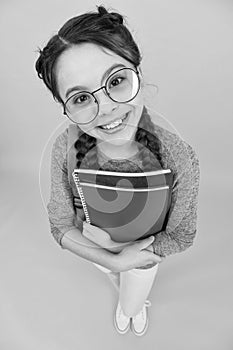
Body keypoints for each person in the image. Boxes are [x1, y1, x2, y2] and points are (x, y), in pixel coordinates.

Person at [35, 5, 200, 337]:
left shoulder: (178, 157)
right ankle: (120, 286)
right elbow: (60, 226)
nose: (106, 108)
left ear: (137, 71)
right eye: (81, 98)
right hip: (94, 246)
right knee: (114, 276)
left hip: (144, 255)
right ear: (65, 109)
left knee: (133, 295)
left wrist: (129, 261)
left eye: (117, 80)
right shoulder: (64, 153)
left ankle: (132, 306)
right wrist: (111, 261)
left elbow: (181, 235)